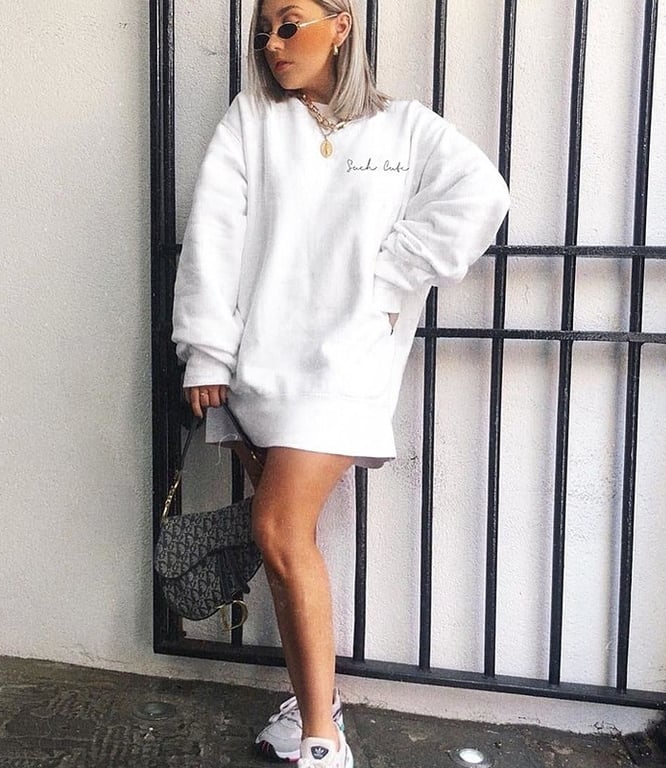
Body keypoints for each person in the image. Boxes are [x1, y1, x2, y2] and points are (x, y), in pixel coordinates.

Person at [172, 0, 510, 765]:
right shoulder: (253, 119)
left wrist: (388, 278)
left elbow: (482, 194)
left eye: (290, 23)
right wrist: (207, 351)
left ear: (341, 25)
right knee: (289, 544)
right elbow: (215, 232)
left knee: (277, 531)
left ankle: (323, 743)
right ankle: (314, 708)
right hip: (255, 365)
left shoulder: (405, 128)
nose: (273, 43)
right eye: (263, 31)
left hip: (345, 365)